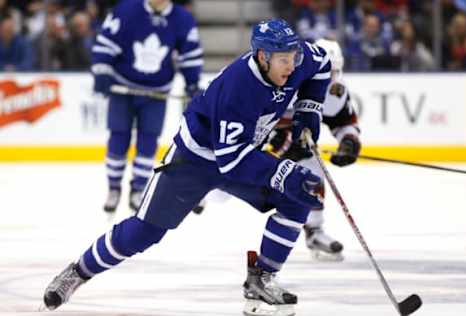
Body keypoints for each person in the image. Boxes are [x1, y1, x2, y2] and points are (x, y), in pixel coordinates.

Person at [43, 19, 333, 316]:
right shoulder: (238, 86)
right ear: (262, 56)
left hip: (240, 153)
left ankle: (263, 279)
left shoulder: (299, 60)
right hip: (195, 160)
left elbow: (323, 64)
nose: (291, 65)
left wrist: (309, 108)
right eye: (284, 59)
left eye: (294, 57)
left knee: (299, 198)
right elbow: (230, 160)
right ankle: (77, 272)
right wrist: (284, 173)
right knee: (145, 232)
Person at [92, 0, 203, 213]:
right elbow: (106, 41)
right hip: (121, 87)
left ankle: (138, 188)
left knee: (148, 141)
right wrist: (102, 68)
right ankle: (114, 187)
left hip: (156, 92)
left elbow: (189, 54)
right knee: (118, 137)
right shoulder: (126, 10)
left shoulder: (183, 19)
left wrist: (192, 82)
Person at [267, 38, 361, 261]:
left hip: (295, 143)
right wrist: (282, 141)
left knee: (312, 171)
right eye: (327, 70)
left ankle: (315, 231)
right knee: (223, 190)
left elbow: (345, 121)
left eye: (335, 71)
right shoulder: (282, 80)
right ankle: (203, 188)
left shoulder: (336, 92)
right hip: (261, 143)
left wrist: (349, 141)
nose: (330, 78)